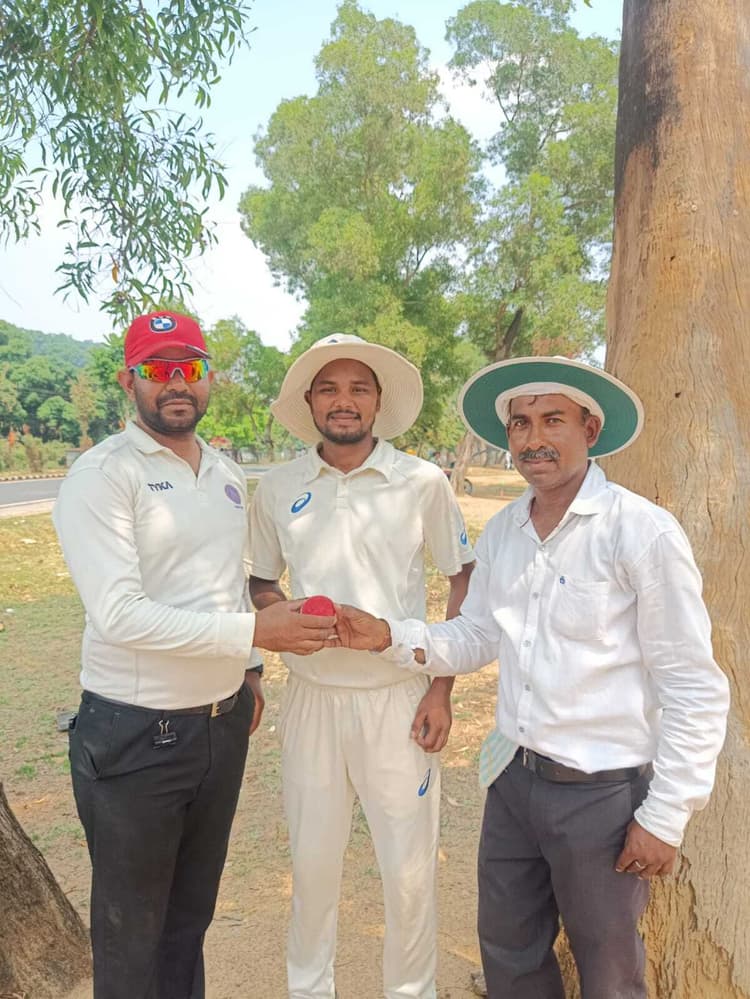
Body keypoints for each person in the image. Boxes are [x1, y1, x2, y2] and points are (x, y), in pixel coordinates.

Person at [332, 356, 730, 999]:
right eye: (520, 423)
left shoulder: (640, 531)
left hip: (601, 794)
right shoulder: (505, 532)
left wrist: (666, 814)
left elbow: (692, 683)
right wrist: (388, 636)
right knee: (509, 953)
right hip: (513, 783)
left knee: (608, 972)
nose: (533, 439)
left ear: (590, 429)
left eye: (553, 420)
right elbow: (478, 635)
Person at [53, 310, 335, 999]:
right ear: (128, 381)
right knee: (132, 937)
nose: (176, 382)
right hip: (135, 732)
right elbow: (119, 614)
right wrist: (253, 635)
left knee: (187, 923)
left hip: (218, 726)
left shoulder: (225, 472)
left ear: (209, 377)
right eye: (157, 368)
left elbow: (222, 579)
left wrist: (250, 672)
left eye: (190, 367)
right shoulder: (102, 475)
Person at [247, 333, 475, 999]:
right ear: (310, 402)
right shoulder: (279, 486)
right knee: (312, 867)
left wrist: (440, 688)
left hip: (396, 699)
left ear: (378, 401)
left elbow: (463, 577)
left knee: (407, 873)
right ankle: (308, 989)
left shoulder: (422, 482)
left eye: (357, 388)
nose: (343, 401)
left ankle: (411, 992)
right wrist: (285, 617)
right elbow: (260, 580)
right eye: (328, 388)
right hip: (312, 700)